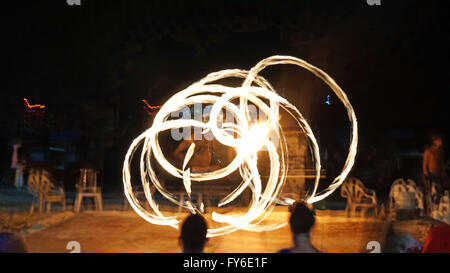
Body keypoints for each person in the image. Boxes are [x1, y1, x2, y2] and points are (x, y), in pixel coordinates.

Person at [423, 133, 448, 212]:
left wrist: (444, 175)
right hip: (430, 174)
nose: (441, 141)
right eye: (439, 140)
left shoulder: (440, 151)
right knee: (430, 193)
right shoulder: (429, 150)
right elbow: (425, 164)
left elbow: (441, 163)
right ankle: (430, 209)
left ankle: (439, 209)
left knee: (439, 192)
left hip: (438, 175)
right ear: (435, 141)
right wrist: (426, 175)